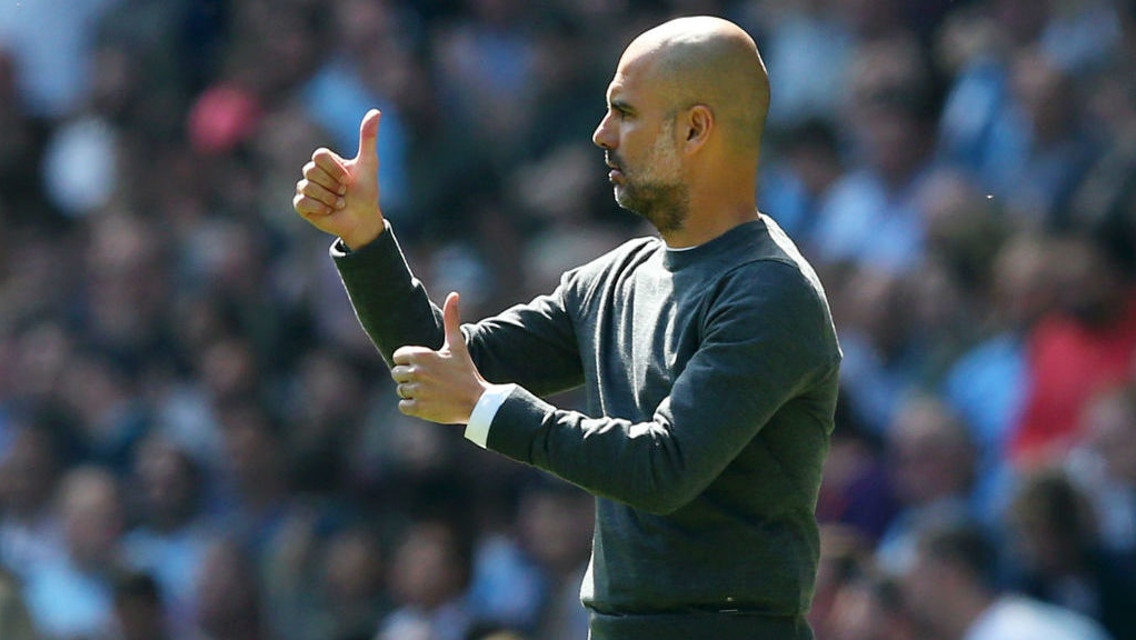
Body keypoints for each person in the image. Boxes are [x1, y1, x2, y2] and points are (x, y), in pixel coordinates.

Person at [293, 15, 841, 640]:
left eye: (624, 113)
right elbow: (439, 363)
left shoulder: (770, 291)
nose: (601, 133)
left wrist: (486, 408)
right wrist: (365, 236)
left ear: (695, 129)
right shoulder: (612, 281)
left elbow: (664, 467)